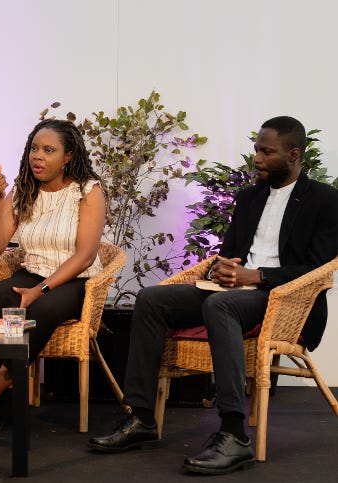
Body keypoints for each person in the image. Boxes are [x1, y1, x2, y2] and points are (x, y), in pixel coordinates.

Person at [88, 116, 338, 475]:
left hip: (281, 298)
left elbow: (319, 268)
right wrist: (218, 269)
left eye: (267, 152)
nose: (257, 159)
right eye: (256, 150)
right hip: (234, 290)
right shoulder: (250, 197)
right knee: (151, 299)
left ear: (294, 154)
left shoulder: (325, 200)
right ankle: (141, 417)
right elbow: (230, 251)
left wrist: (257, 275)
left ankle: (235, 435)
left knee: (221, 305)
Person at [0, 118, 106, 432]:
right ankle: (7, 401)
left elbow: (85, 254)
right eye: (34, 148)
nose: (38, 156)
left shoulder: (88, 191)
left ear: (68, 156)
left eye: (49, 150)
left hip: (76, 280)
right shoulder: (24, 190)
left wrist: (42, 289)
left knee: (42, 309)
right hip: (32, 272)